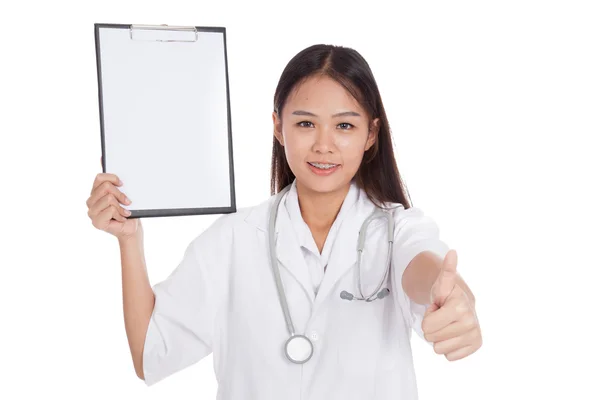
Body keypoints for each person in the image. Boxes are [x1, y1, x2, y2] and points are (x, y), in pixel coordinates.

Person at [86, 44, 482, 400]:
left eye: (344, 125)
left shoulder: (397, 229)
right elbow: (150, 353)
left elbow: (422, 267)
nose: (324, 144)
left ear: (370, 134)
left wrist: (451, 296)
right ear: (278, 127)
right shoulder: (234, 239)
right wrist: (129, 239)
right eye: (305, 123)